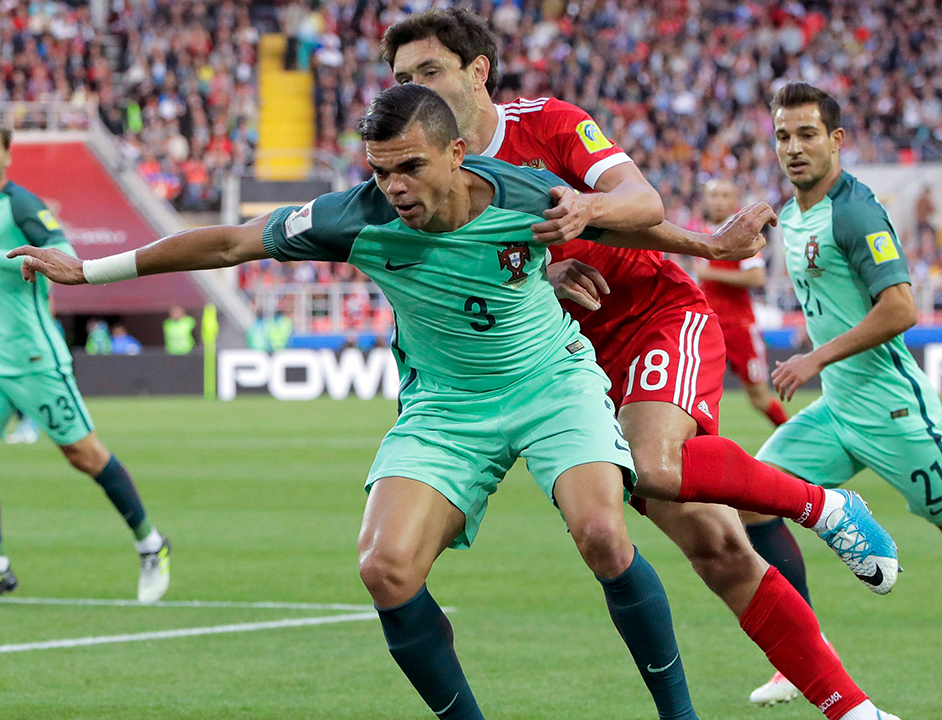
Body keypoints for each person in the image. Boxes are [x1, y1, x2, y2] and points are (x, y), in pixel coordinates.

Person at [16, 83, 734, 720]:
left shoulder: (527, 195)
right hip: (447, 406)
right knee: (384, 568)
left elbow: (636, 223)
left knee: (603, 533)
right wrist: (90, 271)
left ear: (457, 153)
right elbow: (232, 243)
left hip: (551, 382)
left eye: (410, 166)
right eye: (381, 170)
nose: (394, 186)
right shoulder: (350, 218)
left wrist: (709, 245)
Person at [379, 9, 898, 720]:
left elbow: (640, 201)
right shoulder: (418, 170)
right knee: (716, 544)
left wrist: (588, 210)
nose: (415, 88)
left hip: (657, 317)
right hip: (571, 363)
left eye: (429, 71)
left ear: (477, 72)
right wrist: (545, 275)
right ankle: (856, 710)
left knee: (655, 464)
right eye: (402, 78)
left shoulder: (550, 124)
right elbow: (459, 272)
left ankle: (828, 506)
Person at [737, 81, 942, 707]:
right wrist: (816, 336)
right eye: (783, 136)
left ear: (836, 140)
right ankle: (802, 657)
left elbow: (901, 308)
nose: (793, 148)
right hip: (837, 411)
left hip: (893, 410)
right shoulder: (792, 215)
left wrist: (816, 356)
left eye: (807, 134)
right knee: (749, 501)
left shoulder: (855, 211)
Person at [0, 113, 170, 605]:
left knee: (84, 455)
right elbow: (3, 284)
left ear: (7, 155)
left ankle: (151, 544)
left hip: (35, 359)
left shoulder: (20, 203)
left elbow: (61, 250)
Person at [691, 179, 788, 426]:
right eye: (715, 195)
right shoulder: (700, 233)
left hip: (739, 327)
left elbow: (757, 278)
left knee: (759, 398)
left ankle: (795, 439)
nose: (719, 201)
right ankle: (701, 446)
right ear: (706, 200)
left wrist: (710, 274)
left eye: (725, 195)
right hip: (709, 327)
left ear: (735, 200)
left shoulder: (742, 236)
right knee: (696, 397)